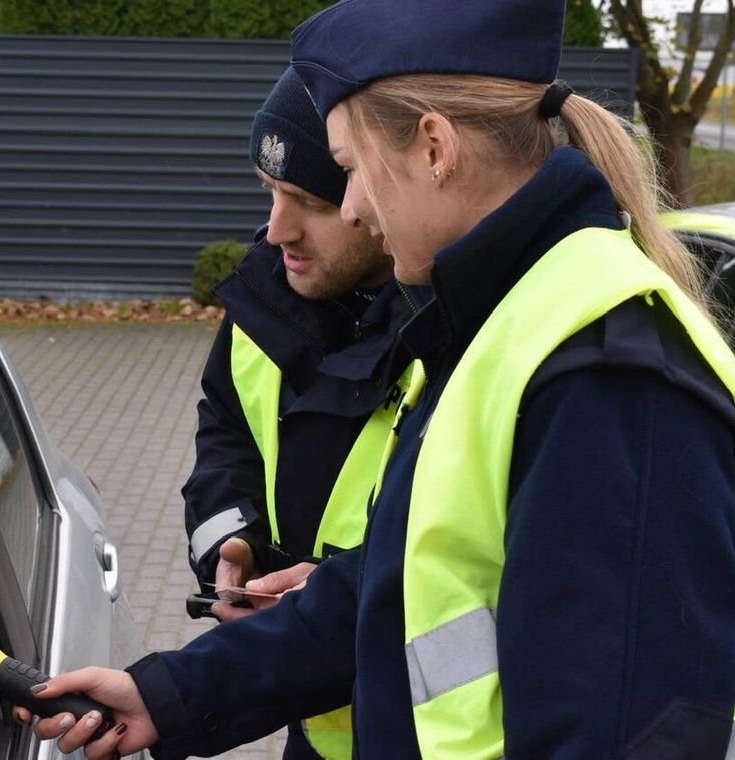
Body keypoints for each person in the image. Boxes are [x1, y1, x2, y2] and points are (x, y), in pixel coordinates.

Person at [17, 2, 735, 758]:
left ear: (434, 147)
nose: (352, 209)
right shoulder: (505, 322)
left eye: (350, 170)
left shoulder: (606, 380)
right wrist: (173, 695)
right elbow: (399, 590)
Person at [180, 64, 415, 759]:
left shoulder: (453, 326)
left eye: (307, 199)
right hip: (312, 719)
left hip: (411, 726)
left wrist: (341, 595)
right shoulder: (269, 290)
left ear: (373, 193)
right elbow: (227, 424)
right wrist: (233, 538)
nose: (278, 229)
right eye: (268, 191)